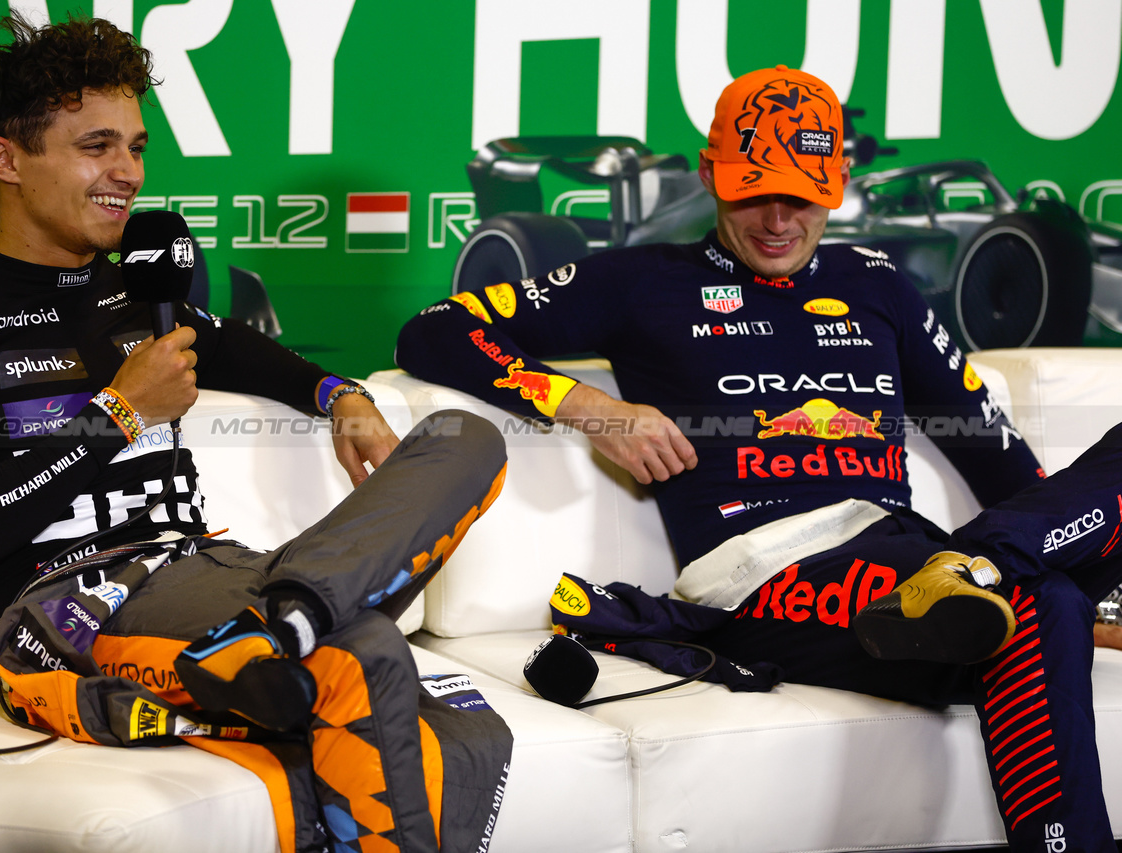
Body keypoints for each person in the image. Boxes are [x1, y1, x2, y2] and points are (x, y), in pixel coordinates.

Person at [396, 64, 1122, 852]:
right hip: (767, 582)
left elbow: (1002, 461)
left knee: (1048, 599)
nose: (777, 219)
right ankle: (982, 572)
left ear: (838, 183)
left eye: (801, 196)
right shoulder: (642, 281)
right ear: (710, 175)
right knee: (1043, 600)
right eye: (752, 192)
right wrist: (586, 405)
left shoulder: (878, 287)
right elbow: (435, 329)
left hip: (910, 565)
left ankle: (976, 569)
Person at [0, 15, 511, 853]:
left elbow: (250, 351)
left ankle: (284, 624)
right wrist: (118, 413)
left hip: (223, 569)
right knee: (368, 658)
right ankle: (294, 626)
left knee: (466, 435)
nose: (126, 174)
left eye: (135, 148)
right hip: (86, 599)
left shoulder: (141, 296)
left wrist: (339, 391)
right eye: (97, 146)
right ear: (7, 159)